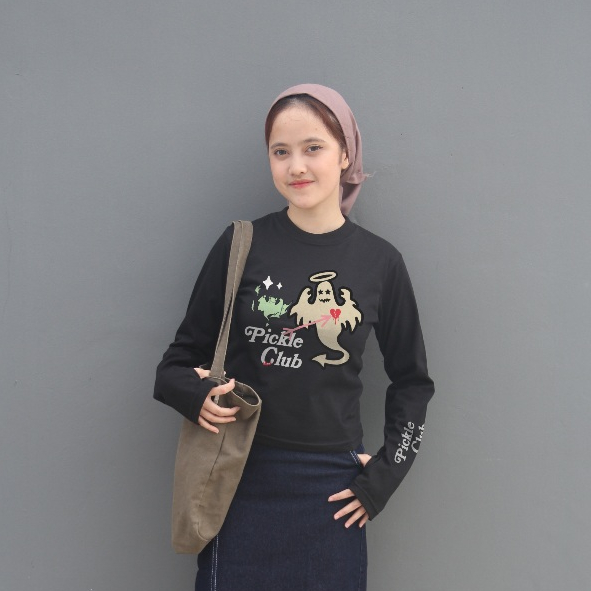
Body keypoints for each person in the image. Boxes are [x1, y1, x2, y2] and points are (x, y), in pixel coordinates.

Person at [154, 83, 435, 591]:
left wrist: (387, 474)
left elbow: (413, 383)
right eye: (280, 152)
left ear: (345, 154)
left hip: (332, 490)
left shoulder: (380, 263)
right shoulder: (241, 244)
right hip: (238, 476)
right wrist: (195, 396)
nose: (296, 167)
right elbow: (174, 365)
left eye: (313, 148)